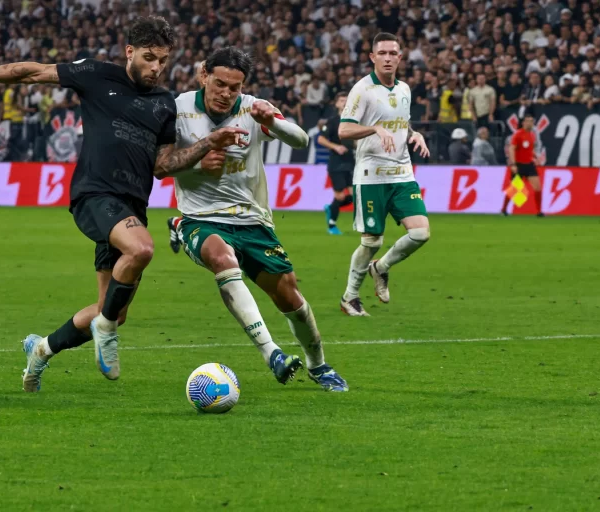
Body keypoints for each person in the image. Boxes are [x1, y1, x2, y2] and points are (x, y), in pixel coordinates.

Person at [0, 16, 246, 392]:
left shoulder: (163, 104)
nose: (157, 67)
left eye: (163, 60)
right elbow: (32, 72)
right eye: (149, 58)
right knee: (142, 249)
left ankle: (41, 350)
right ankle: (105, 332)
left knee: (112, 308)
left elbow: (163, 166)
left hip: (130, 210)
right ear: (130, 52)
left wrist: (208, 143)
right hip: (94, 195)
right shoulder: (96, 74)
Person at [166, 48, 348, 392]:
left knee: (290, 297)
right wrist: (196, 163)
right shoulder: (178, 109)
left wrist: (273, 122)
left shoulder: (252, 108)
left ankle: (319, 365)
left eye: (234, 87)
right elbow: (159, 164)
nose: (226, 93)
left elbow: (301, 139)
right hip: (202, 217)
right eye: (219, 83)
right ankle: (272, 354)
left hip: (252, 221)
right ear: (203, 74)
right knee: (222, 258)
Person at [337, 32, 431, 317]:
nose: (388, 58)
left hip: (402, 173)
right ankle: (350, 297)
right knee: (372, 241)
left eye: (393, 53)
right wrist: (375, 129)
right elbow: (344, 130)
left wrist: (417, 135)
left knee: (420, 233)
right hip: (371, 175)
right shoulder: (362, 89)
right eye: (383, 53)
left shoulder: (404, 89)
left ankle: (382, 267)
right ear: (373, 57)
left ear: (400, 58)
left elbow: (403, 124)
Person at [317, 92, 355, 235]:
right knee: (339, 196)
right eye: (342, 101)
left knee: (355, 197)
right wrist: (336, 147)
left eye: (347, 101)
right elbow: (321, 139)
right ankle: (332, 224)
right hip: (336, 164)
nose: (344, 103)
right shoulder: (332, 121)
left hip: (351, 162)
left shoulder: (353, 122)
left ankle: (331, 207)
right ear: (337, 104)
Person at [502, 113, 544, 217]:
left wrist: (535, 157)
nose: (530, 123)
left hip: (529, 165)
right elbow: (512, 149)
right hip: (519, 165)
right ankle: (503, 209)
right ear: (523, 122)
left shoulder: (531, 135)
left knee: (538, 187)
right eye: (528, 121)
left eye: (531, 121)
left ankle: (538, 211)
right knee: (514, 189)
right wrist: (513, 164)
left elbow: (529, 150)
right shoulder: (518, 134)